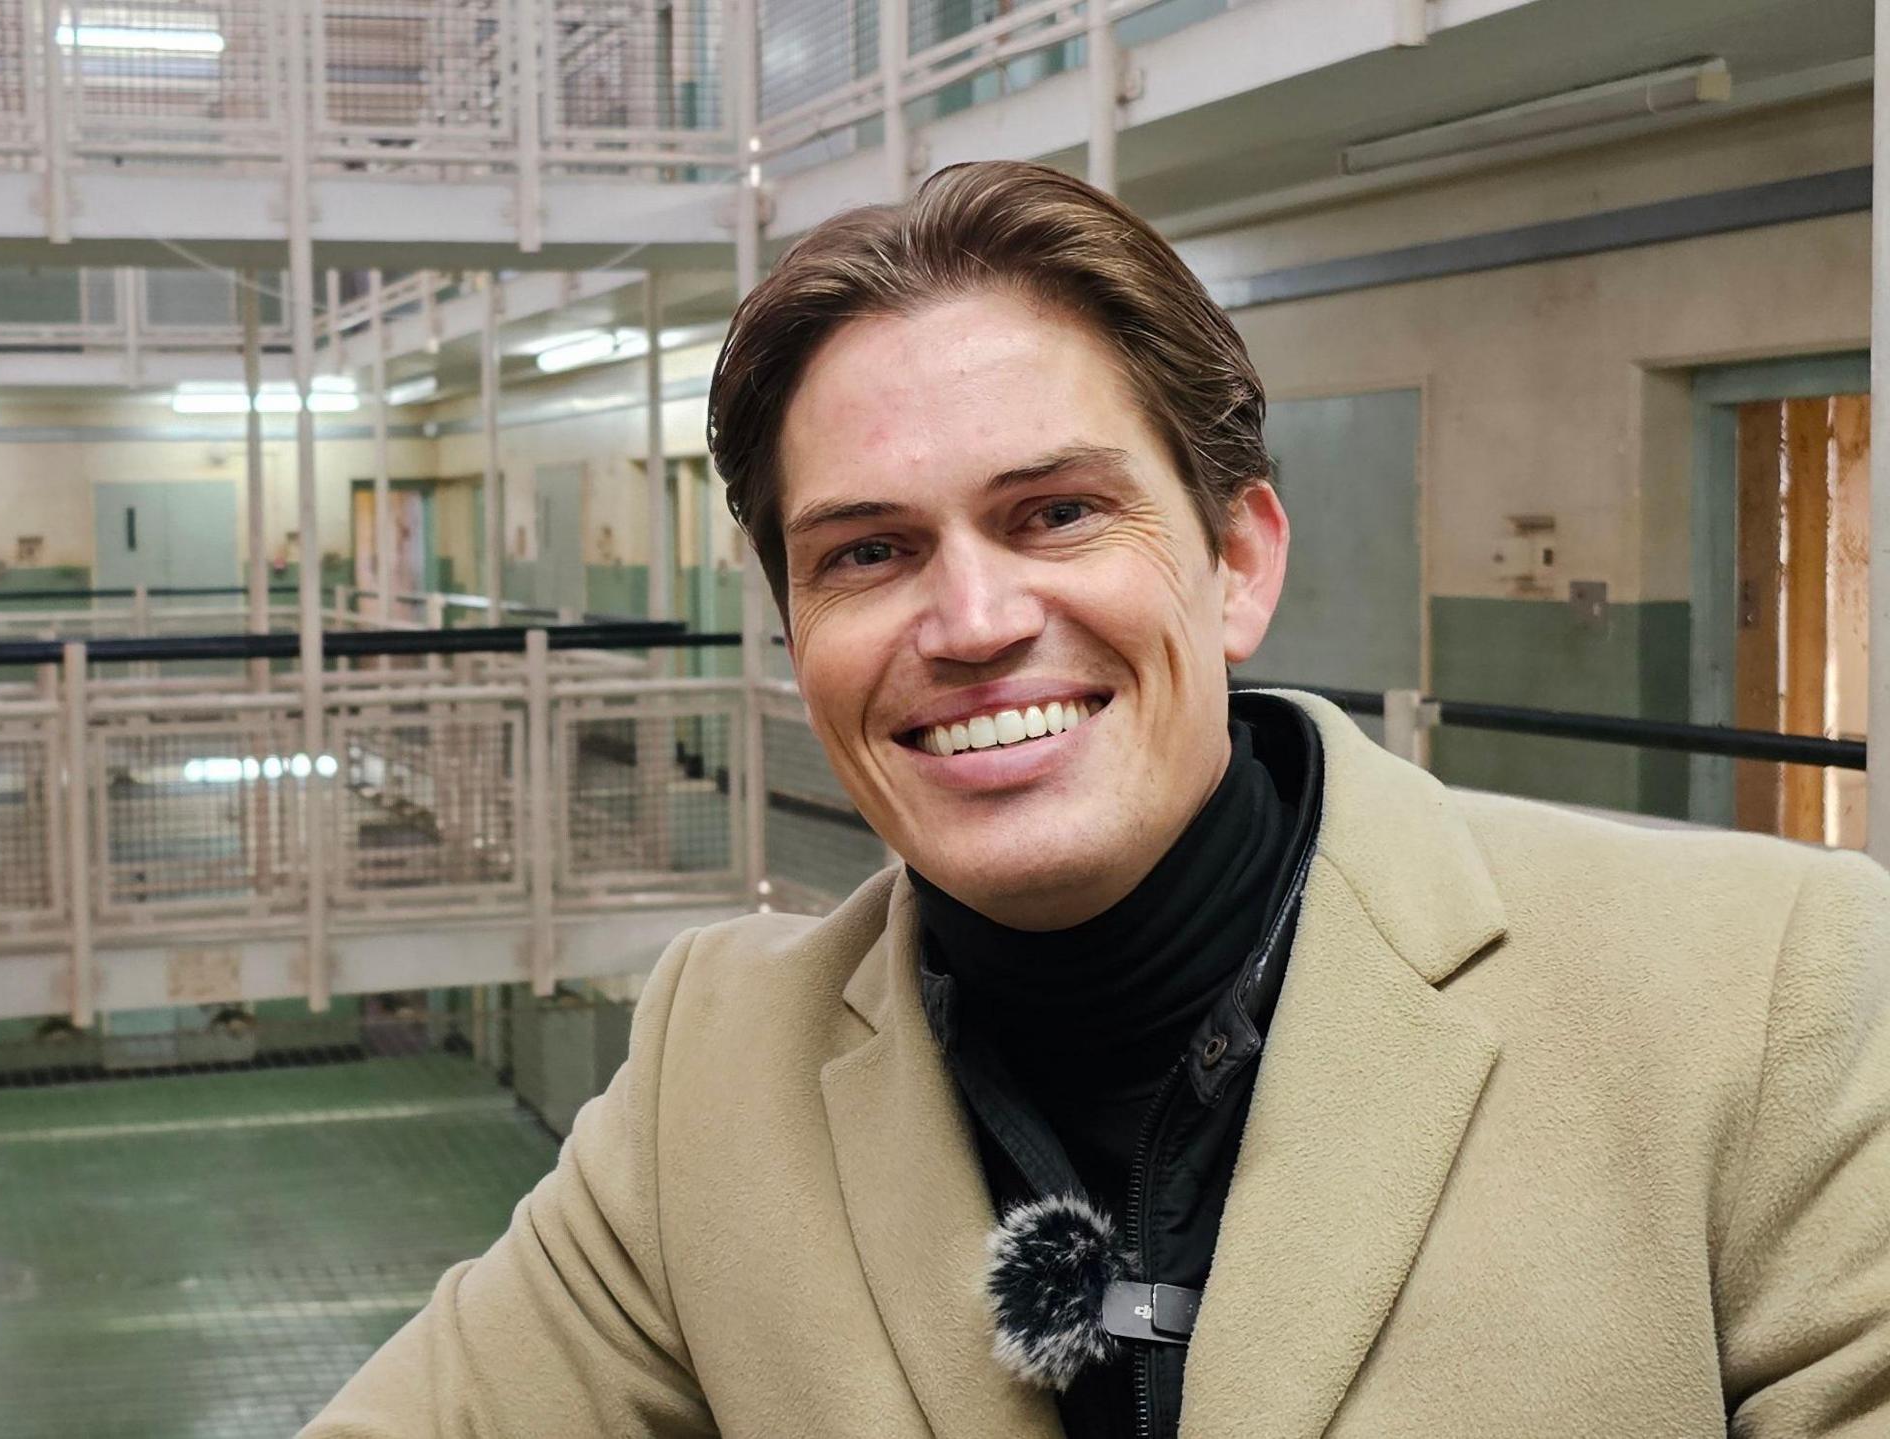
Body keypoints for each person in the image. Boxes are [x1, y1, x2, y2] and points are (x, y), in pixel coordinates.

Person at [302, 160, 1890, 1438]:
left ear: (1239, 561)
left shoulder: (1764, 1000)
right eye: (867, 550)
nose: (973, 621)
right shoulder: (713, 1077)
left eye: (1056, 513)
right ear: (796, 640)